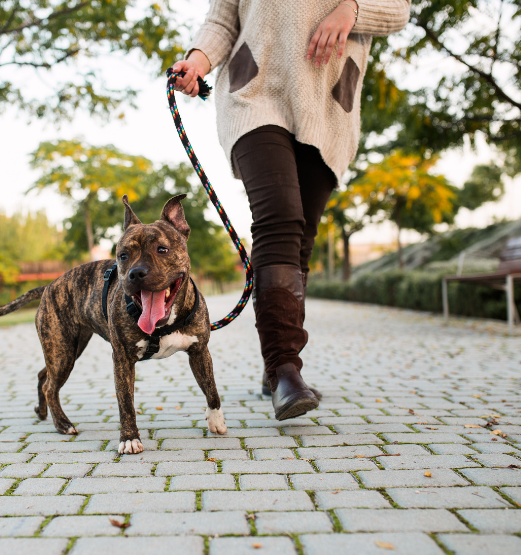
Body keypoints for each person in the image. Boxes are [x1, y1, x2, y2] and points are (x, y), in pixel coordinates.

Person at [172, 0, 410, 420]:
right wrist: (197, 61)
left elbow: (398, 7)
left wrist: (351, 10)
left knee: (301, 238)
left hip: (328, 97)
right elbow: (223, 18)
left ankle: (275, 369)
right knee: (279, 217)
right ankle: (285, 369)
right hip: (255, 91)